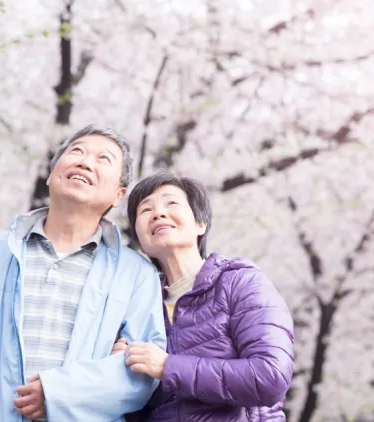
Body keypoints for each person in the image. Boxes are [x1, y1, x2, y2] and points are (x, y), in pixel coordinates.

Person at [0, 124, 167, 422]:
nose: (85, 162)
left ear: (118, 195)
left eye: (103, 159)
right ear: (52, 172)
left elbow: (141, 376)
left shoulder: (136, 274)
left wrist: (58, 394)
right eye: (76, 151)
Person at [113, 170, 294, 421]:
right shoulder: (137, 303)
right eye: (145, 210)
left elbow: (270, 377)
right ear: (140, 240)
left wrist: (167, 367)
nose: (158, 213)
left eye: (171, 203)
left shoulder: (240, 282)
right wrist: (119, 372)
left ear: (201, 224)